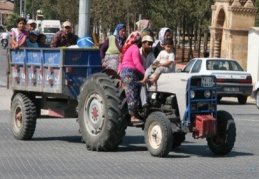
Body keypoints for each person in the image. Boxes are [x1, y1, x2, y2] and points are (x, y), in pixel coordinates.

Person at [118, 31, 144, 125]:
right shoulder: (134, 48)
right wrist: (145, 74)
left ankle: (137, 113)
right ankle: (133, 116)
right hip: (130, 73)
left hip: (126, 72)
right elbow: (137, 64)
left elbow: (121, 63)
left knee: (134, 91)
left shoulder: (128, 49)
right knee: (132, 92)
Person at [139, 35, 155, 107]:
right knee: (143, 84)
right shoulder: (138, 52)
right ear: (143, 44)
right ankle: (144, 103)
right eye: (148, 44)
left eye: (151, 44)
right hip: (138, 74)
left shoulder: (151, 54)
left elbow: (154, 64)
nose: (150, 46)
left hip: (148, 74)